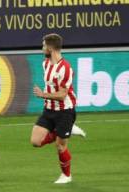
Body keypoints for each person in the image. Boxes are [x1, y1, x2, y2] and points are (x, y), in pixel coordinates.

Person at [30, 33, 77, 184]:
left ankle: (66, 176)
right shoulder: (45, 64)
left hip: (65, 111)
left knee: (60, 145)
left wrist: (43, 94)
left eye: (44, 45)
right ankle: (65, 130)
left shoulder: (66, 68)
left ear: (50, 48)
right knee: (35, 141)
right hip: (49, 110)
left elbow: (63, 95)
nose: (42, 48)